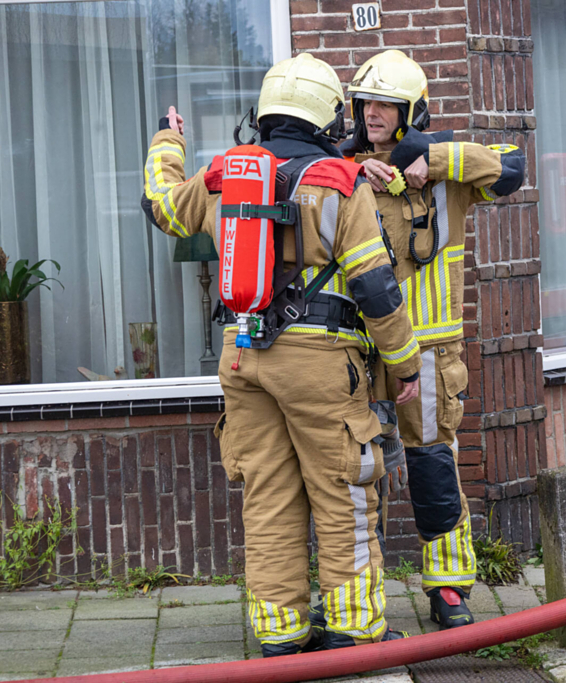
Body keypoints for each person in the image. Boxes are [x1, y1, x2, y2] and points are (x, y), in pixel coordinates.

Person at [140, 53, 422, 655]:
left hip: (243, 358)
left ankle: (280, 633)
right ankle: (354, 629)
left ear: (264, 113)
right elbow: (375, 287)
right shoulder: (340, 183)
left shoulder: (222, 175)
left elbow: (160, 205)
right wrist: (406, 364)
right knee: (344, 488)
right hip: (320, 367)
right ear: (325, 116)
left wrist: (168, 142)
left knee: (266, 492)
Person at [341, 49, 525, 629]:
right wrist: (353, 170)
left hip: (427, 350)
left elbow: (512, 166)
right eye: (365, 102)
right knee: (354, 470)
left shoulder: (448, 177)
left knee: (430, 468)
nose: (372, 113)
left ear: (410, 111)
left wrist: (432, 158)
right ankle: (355, 599)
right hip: (359, 352)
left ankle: (448, 588)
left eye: (385, 104)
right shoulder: (342, 170)